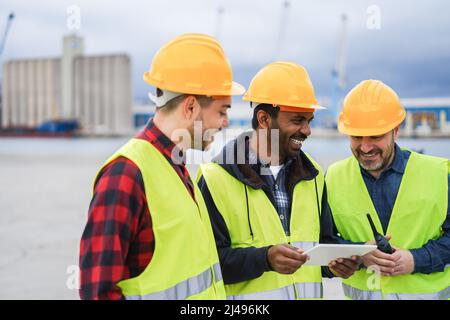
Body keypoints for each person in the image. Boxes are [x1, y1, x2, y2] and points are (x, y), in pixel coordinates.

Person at [79, 33, 245, 300]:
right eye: (222, 111)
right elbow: (97, 292)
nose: (225, 123)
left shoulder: (176, 166)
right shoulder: (126, 174)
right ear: (190, 106)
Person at [197, 62, 360, 300]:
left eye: (309, 120)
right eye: (297, 120)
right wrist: (264, 259)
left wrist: (335, 263)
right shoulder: (214, 178)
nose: (307, 130)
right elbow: (205, 265)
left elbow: (320, 244)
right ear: (263, 119)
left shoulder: (313, 175)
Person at [326, 79, 450, 300]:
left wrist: (416, 259)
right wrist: (360, 253)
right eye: (356, 136)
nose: (365, 147)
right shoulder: (333, 177)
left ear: (396, 131)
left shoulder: (439, 173)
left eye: (375, 136)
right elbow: (324, 240)